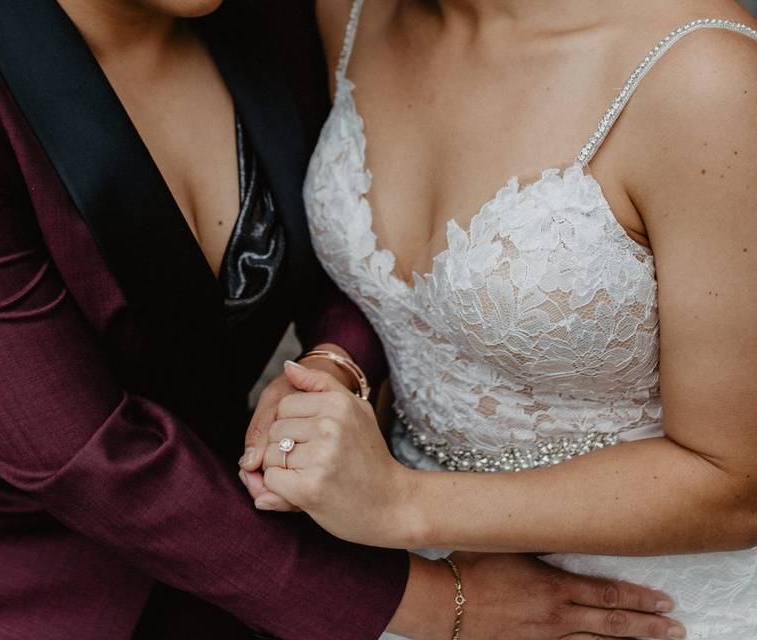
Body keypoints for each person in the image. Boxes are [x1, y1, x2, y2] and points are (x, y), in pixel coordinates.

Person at [0, 0, 683, 638]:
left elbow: (354, 242)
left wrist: (336, 364)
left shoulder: (270, 19)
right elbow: (79, 456)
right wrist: (433, 604)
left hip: (228, 520)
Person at [241, 0, 757, 637]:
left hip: (632, 604)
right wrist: (333, 367)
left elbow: (736, 482)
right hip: (411, 582)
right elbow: (393, 296)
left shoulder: (704, 80)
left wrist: (402, 504)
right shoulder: (349, 12)